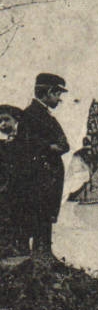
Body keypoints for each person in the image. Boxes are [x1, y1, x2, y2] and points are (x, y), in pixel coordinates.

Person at [13, 73, 70, 262]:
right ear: (48, 92)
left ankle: (43, 253)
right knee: (39, 215)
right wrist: (49, 147)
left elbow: (64, 144)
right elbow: (26, 145)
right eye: (57, 94)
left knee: (44, 215)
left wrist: (54, 146)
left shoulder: (43, 115)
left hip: (46, 177)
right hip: (37, 178)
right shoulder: (31, 115)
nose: (59, 99)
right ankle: (40, 255)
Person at [0, 104, 24, 257]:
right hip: (4, 187)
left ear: (16, 120)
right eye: (0, 121)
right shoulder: (2, 143)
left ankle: (16, 247)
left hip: (18, 187)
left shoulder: (23, 142)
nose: (2, 124)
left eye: (6, 120)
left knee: (17, 216)